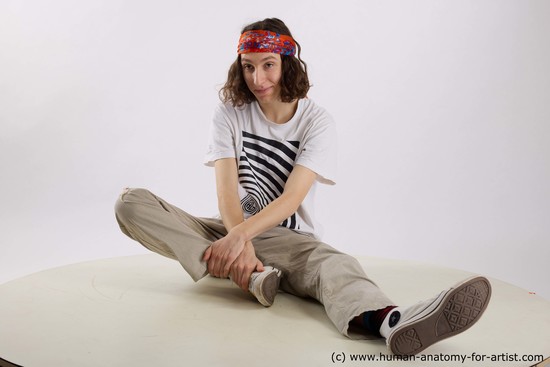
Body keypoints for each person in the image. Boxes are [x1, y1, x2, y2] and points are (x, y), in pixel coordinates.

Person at [114, 18, 491, 356]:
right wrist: (238, 240)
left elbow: (291, 198)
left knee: (335, 264)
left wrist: (240, 239)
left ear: (287, 64)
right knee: (131, 203)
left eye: (268, 66)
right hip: (229, 229)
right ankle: (250, 274)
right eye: (248, 67)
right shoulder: (228, 112)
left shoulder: (317, 122)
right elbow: (227, 194)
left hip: (290, 242)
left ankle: (392, 322)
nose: (257, 79)